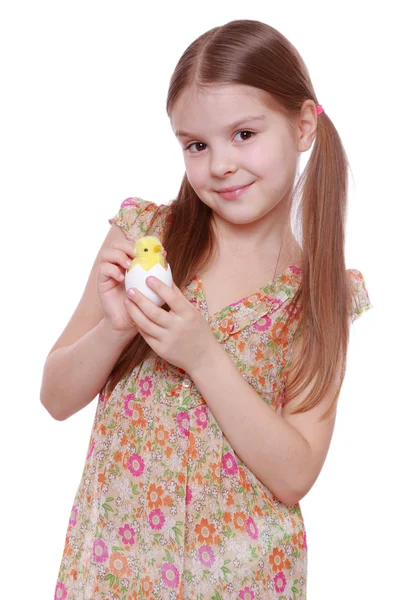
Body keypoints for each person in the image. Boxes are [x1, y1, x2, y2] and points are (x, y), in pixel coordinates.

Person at [43, 18, 373, 600]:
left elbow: (295, 475)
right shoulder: (146, 237)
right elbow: (55, 397)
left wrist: (203, 356)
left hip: (243, 579)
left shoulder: (318, 295)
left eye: (244, 134)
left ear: (302, 124)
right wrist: (114, 331)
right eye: (196, 144)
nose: (219, 164)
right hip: (117, 572)